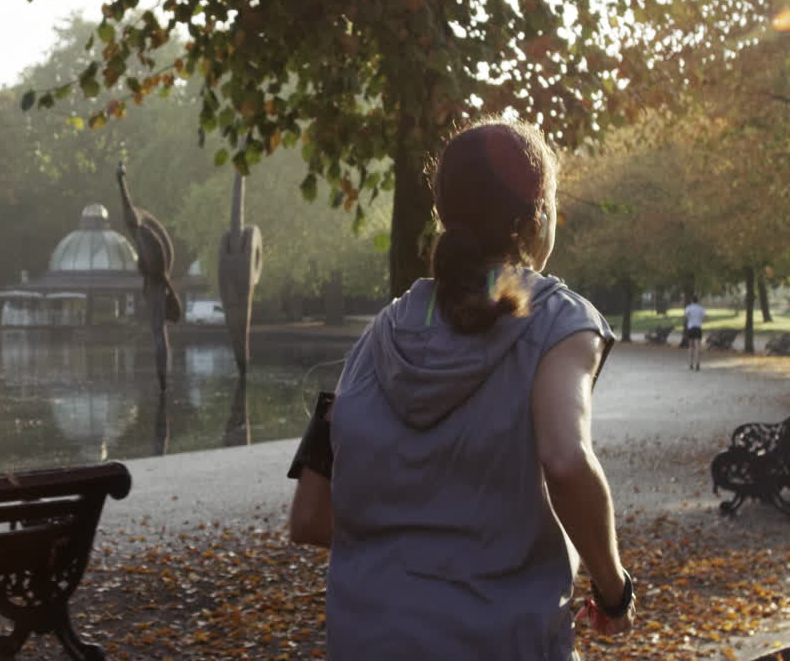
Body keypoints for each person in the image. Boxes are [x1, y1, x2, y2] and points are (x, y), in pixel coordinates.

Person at [288, 119, 634, 659]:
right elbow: (566, 461)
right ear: (537, 218)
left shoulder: (382, 332)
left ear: (442, 214)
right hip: (501, 640)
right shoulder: (558, 320)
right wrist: (614, 592)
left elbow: (310, 515)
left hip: (367, 637)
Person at [683, 295, 705, 370]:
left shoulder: (688, 308)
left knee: (691, 346)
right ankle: (697, 363)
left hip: (691, 327)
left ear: (691, 301)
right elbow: (703, 317)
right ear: (697, 300)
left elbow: (686, 316)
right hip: (698, 327)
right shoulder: (700, 308)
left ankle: (691, 363)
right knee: (697, 346)